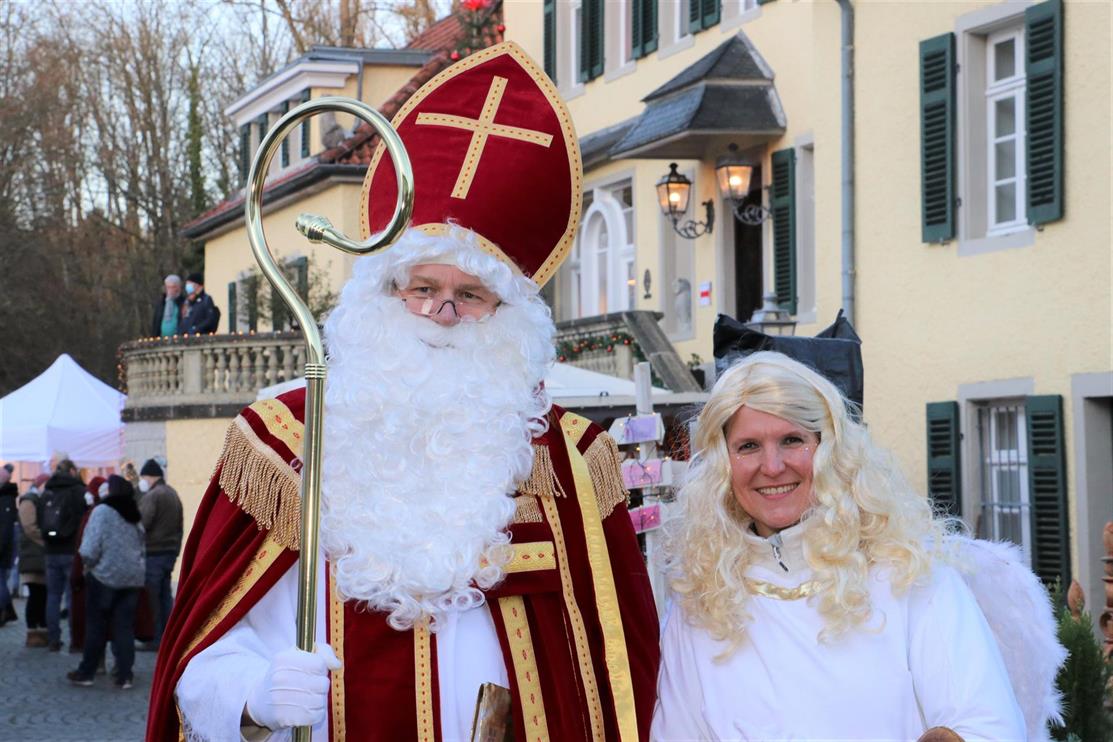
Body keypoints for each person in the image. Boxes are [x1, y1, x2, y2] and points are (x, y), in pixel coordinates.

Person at [148, 42, 659, 742]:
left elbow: (617, 673)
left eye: (470, 295)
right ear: (382, 295)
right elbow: (199, 658)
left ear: (510, 318)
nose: (442, 315)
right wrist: (254, 696)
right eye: (422, 288)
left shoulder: (572, 462)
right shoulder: (284, 444)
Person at [652, 352, 1034, 740]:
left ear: (829, 448)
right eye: (748, 446)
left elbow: (986, 726)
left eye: (792, 440)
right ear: (723, 463)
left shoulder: (908, 573)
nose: (772, 466)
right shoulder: (700, 599)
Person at [67, 476, 146, 689]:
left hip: (104, 577)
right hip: (132, 578)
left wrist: (88, 566)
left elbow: (89, 548)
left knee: (96, 626)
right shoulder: (134, 514)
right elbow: (141, 544)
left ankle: (87, 672)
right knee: (124, 628)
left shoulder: (101, 512)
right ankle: (125, 675)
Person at [40, 458, 87, 652]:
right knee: (72, 597)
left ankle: (53, 639)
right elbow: (82, 519)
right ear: (72, 471)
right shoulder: (77, 491)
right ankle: (75, 641)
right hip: (70, 550)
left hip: (51, 550)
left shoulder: (48, 490)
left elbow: (39, 518)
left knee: (52, 595)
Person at [136, 458, 182, 650]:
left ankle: (154, 638)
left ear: (150, 476)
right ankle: (167, 637)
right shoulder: (172, 493)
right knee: (164, 597)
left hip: (154, 552)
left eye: (143, 476)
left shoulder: (153, 496)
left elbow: (143, 523)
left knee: (152, 598)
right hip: (170, 553)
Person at [67, 475, 105, 653]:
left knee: (93, 619)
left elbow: (86, 548)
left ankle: (93, 660)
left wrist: (79, 572)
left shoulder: (94, 514)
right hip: (109, 574)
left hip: (94, 574)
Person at [18, 472, 49, 646]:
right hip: (32, 556)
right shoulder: (29, 500)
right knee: (36, 594)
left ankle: (42, 630)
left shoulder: (38, 500)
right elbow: (30, 528)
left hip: (38, 555)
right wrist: (46, 541)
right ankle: (33, 632)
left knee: (42, 594)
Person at [0, 468, 18, 625]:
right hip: (4, 547)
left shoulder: (6, 499)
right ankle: (7, 612)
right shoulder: (7, 498)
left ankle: (4, 611)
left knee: (0, 581)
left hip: (2, 549)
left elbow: (5, 528)